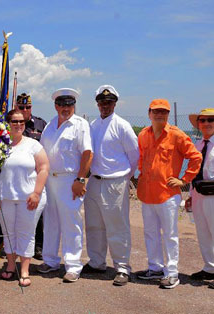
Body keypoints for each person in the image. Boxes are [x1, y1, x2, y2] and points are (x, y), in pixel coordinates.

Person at [135, 99, 202, 289]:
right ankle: (155, 268)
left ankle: (172, 273)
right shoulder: (143, 135)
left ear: (168, 114)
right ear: (149, 113)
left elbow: (195, 157)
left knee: (170, 235)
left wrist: (184, 180)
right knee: (150, 233)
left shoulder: (177, 135)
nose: (159, 115)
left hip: (168, 195)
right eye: (156, 111)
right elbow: (141, 157)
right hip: (147, 193)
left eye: (163, 112)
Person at [82, 85, 139, 286]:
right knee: (94, 225)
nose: (105, 106)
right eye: (102, 102)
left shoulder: (122, 125)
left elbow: (134, 157)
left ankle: (122, 267)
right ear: (97, 104)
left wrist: (124, 178)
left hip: (115, 182)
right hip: (95, 181)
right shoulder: (93, 124)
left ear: (115, 103)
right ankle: (97, 262)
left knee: (117, 226)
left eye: (109, 102)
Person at [0, 109, 49, 287]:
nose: (18, 124)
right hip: (4, 198)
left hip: (28, 199)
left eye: (21, 121)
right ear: (7, 123)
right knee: (8, 233)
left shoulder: (33, 145)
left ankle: (25, 270)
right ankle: (11, 265)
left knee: (26, 234)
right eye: (14, 121)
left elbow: (43, 168)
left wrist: (36, 192)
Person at [37, 88, 93, 283]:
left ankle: (73, 265)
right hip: (49, 179)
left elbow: (87, 153)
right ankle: (50, 261)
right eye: (62, 104)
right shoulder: (50, 125)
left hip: (70, 180)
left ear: (74, 106)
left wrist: (81, 179)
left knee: (71, 223)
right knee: (51, 222)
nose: (66, 108)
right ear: (56, 106)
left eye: (69, 104)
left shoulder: (80, 124)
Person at [17, 92, 47, 260]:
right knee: (17, 213)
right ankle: (17, 246)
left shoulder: (41, 124)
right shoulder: (10, 124)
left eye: (28, 107)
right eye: (21, 107)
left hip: (36, 177)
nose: (25, 110)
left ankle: (39, 247)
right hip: (17, 178)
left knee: (38, 213)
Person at [186, 108, 214, 286]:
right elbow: (193, 171)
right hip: (198, 194)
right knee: (203, 233)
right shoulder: (197, 145)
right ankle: (210, 267)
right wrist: (189, 195)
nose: (206, 123)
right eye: (202, 120)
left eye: (211, 120)